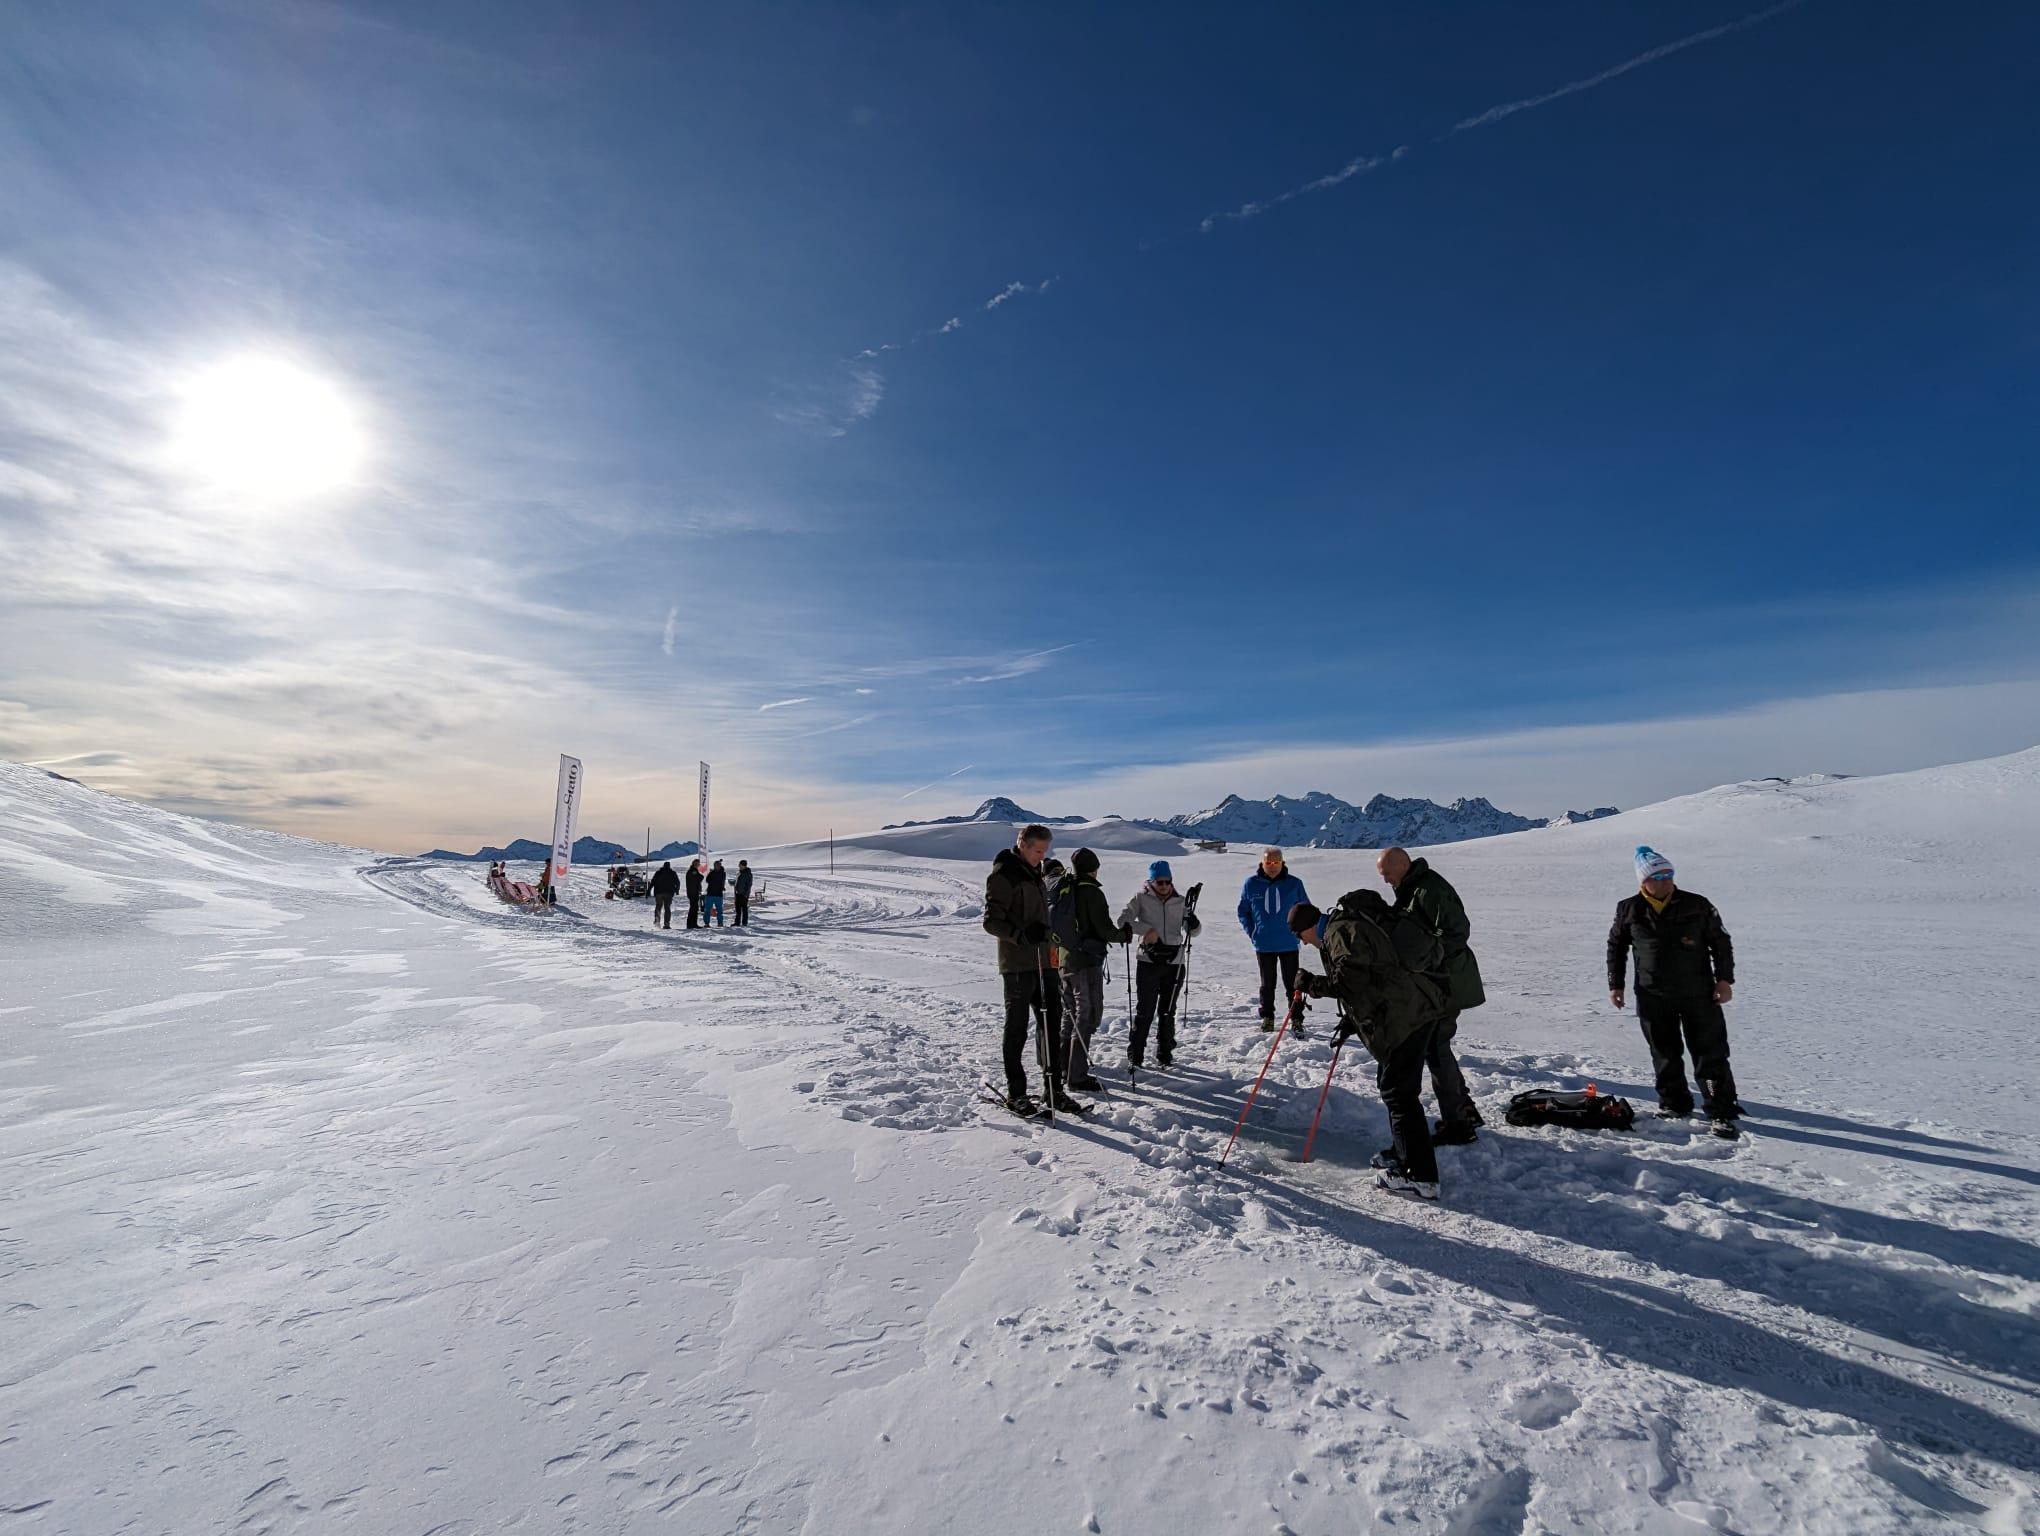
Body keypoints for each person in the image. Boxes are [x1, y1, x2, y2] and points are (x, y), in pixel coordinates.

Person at [1291, 897, 1453, 1199]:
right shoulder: (1342, 928)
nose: (1303, 942)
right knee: (1393, 1088)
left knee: (1399, 1094)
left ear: (1308, 928)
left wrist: (1313, 984)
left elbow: (1351, 980)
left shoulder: (1339, 932)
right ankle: (1404, 1155)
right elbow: (1371, 977)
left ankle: (1421, 1177)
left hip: (1405, 1018)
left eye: (1300, 936)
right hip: (1407, 1013)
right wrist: (1352, 1020)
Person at [1608, 846, 1741, 1132]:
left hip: (1698, 993)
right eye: (1659, 876)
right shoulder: (1629, 909)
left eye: (1669, 874)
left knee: (1709, 1053)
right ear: (1644, 881)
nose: (1666, 881)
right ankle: (1674, 1103)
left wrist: (1724, 980)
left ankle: (1720, 1109)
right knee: (1664, 1052)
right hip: (1652, 994)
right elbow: (1616, 948)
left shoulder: (1697, 904)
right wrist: (1615, 985)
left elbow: (1721, 943)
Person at [1377, 847, 1486, 1144]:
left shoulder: (1429, 890)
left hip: (1448, 982)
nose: (1385, 880)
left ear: (1402, 865)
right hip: (1437, 982)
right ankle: (1464, 1111)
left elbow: (1457, 932)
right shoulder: (1414, 888)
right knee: (1438, 1047)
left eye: (1387, 873)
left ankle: (1459, 1123)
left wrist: (1427, 956)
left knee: (1436, 1047)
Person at [983, 823, 1073, 1113]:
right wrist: (1020, 935)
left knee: (1051, 1025)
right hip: (1017, 964)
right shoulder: (1004, 875)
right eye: (1038, 851)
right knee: (1017, 1028)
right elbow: (991, 921)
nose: (1042, 857)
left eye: (1045, 852)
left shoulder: (1035, 873)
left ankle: (1054, 1089)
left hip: (1044, 962)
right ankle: (1017, 1093)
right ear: (1022, 845)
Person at [1055, 848, 1131, 1090]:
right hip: (1086, 962)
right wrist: (1124, 935)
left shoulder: (1066, 888)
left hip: (1065, 959)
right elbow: (1104, 928)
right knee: (1086, 1015)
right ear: (1094, 868)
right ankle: (1077, 1076)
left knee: (1069, 1014)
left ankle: (1062, 1068)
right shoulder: (1091, 892)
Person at [1118, 860, 1201, 1070]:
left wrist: (1194, 924)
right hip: (1149, 961)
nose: (1164, 886)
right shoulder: (1140, 898)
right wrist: (1147, 930)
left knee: (1167, 1011)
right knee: (1145, 1010)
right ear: (1151, 881)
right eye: (1160, 882)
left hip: (1175, 962)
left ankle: (1165, 1053)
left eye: (1167, 882)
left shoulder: (1180, 901)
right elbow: (1122, 921)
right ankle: (1136, 1054)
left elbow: (1193, 932)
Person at [1239, 848, 1309, 1030]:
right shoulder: (1251, 884)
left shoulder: (1294, 884)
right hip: (1264, 944)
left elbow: (1306, 910)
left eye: (1276, 862)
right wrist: (1252, 931)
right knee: (1267, 985)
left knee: (1293, 985)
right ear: (1262, 864)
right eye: (1268, 862)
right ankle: (1267, 1017)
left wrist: (1301, 932)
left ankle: (1296, 1018)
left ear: (1282, 863)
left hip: (1288, 943)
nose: (1272, 866)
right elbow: (1243, 911)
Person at [649, 860, 680, 929]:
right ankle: (666, 924)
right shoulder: (672, 873)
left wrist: (649, 890)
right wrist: (677, 890)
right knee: (667, 908)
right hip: (669, 893)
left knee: (658, 907)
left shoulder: (658, 872)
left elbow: (653, 881)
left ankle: (657, 922)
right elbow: (678, 882)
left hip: (658, 893)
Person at [703, 859, 727, 926]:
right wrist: (711, 874)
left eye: (717, 865)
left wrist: (713, 876)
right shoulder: (712, 873)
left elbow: (720, 881)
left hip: (718, 894)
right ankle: (707, 923)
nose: (716, 866)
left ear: (720, 866)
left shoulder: (722, 873)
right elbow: (707, 880)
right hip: (710, 893)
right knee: (707, 909)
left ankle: (720, 923)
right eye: (715, 865)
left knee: (719, 910)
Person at [733, 859, 754, 926]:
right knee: (738, 909)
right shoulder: (739, 873)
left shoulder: (748, 874)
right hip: (738, 893)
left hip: (744, 894)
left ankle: (744, 922)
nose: (739, 866)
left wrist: (746, 894)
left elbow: (749, 884)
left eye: (740, 865)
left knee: (744, 909)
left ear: (743, 865)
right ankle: (737, 922)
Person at [685, 857, 704, 929]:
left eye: (698, 864)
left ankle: (692, 923)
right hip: (693, 892)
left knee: (694, 908)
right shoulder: (693, 871)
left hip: (693, 892)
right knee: (694, 908)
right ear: (693, 864)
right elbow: (699, 878)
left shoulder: (692, 870)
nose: (697, 865)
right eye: (696, 864)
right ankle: (691, 924)